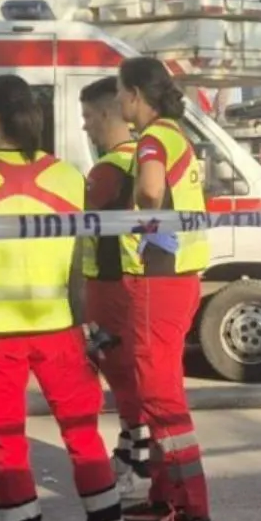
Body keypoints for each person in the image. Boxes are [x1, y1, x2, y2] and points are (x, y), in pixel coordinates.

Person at [0, 74, 146, 521]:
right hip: (59, 325)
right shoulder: (68, 177)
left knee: (7, 446)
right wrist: (85, 325)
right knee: (84, 437)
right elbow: (75, 263)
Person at [115, 57, 218, 521]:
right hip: (176, 278)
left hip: (160, 277)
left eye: (120, 93)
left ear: (136, 94)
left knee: (159, 394)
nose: (117, 103)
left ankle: (192, 512)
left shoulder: (154, 139)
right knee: (156, 385)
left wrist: (142, 224)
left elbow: (152, 190)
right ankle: (163, 494)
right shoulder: (179, 135)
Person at [79, 77, 151, 496]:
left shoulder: (108, 169)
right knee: (131, 374)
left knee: (124, 377)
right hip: (133, 279)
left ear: (107, 114)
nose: (86, 126)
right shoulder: (140, 159)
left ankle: (140, 472)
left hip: (112, 284)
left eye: (89, 116)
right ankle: (128, 454)